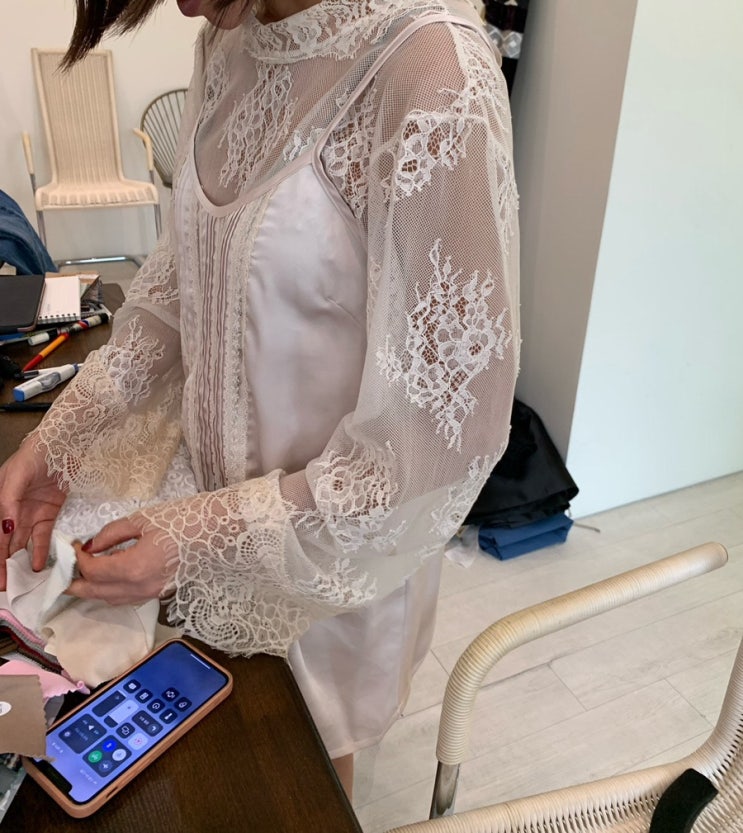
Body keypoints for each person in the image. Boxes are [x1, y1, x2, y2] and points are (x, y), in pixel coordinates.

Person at [0, 0, 519, 795]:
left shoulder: (429, 71)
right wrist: (59, 441)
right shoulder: (228, 41)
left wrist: (201, 536)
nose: (185, 8)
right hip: (194, 519)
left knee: (293, 776)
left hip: (327, 544)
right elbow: (178, 286)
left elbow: (444, 429)